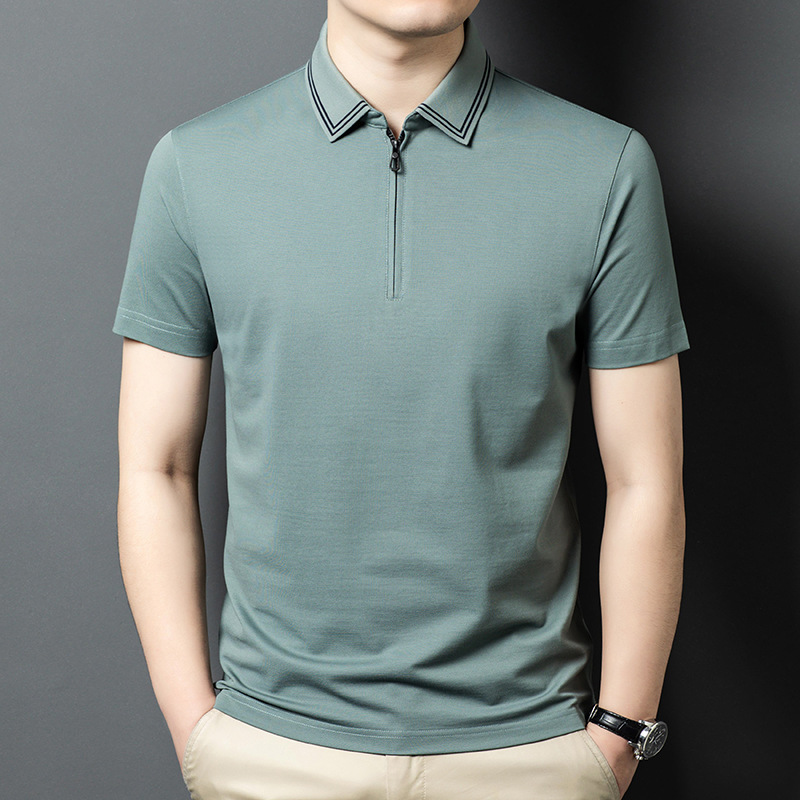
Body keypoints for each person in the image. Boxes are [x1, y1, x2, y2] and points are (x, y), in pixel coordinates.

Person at [112, 1, 689, 798]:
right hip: (271, 752)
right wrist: (198, 730)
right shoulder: (195, 165)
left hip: (530, 755)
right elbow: (157, 466)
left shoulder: (605, 165)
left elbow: (646, 478)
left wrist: (618, 735)